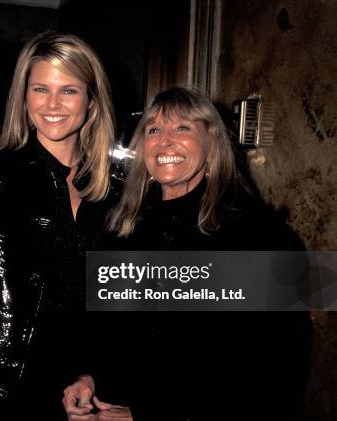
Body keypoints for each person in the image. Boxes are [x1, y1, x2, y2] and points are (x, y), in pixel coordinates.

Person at [62, 86, 311, 420]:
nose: (165, 140)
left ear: (211, 144)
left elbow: (276, 370)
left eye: (182, 128)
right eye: (154, 130)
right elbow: (112, 335)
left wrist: (150, 413)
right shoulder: (123, 228)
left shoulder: (257, 235)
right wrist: (88, 378)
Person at [0, 31, 123, 419]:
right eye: (40, 88)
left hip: (86, 396)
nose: (53, 104)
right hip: (3, 397)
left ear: (91, 100)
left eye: (69, 90)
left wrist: (93, 376)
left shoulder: (118, 191)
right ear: (24, 97)